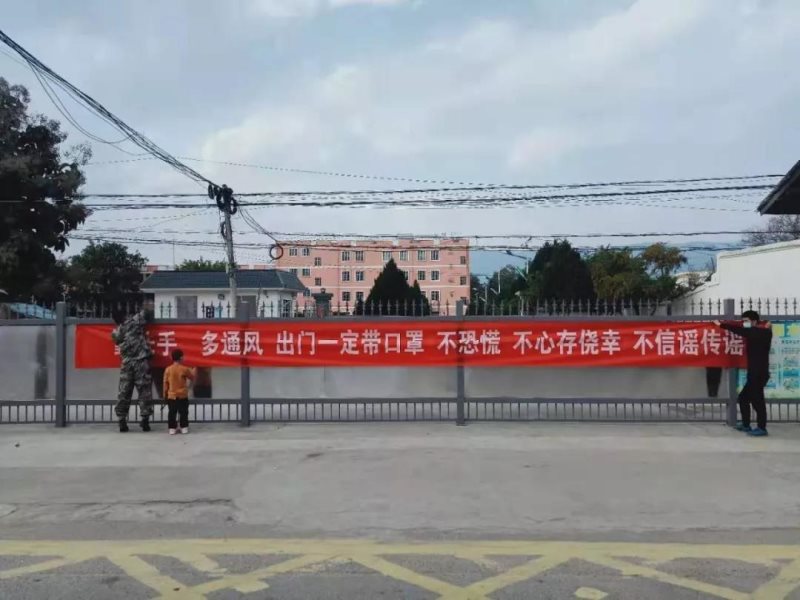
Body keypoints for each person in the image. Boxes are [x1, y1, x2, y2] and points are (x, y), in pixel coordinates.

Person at [713, 310, 773, 436]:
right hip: (755, 373)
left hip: (759, 374)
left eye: (746, 321)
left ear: (754, 321)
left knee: (757, 401)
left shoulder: (759, 332)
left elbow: (739, 330)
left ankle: (762, 428)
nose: (744, 323)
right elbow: (743, 330)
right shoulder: (763, 331)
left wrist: (721, 325)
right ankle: (746, 425)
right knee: (743, 398)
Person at [111, 305, 155, 433]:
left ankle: (121, 420)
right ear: (126, 315)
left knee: (124, 392)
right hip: (141, 362)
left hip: (127, 364)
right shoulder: (135, 322)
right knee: (144, 391)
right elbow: (148, 311)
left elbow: (117, 340)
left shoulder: (116, 333)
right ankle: (145, 420)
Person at [162, 348, 195, 435]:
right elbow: (192, 377)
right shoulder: (184, 369)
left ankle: (172, 428)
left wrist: (165, 395)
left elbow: (165, 383)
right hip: (182, 395)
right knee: (183, 412)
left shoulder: (168, 369)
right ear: (181, 358)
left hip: (171, 395)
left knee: (172, 412)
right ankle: (184, 427)